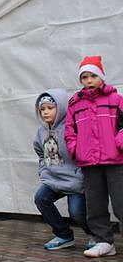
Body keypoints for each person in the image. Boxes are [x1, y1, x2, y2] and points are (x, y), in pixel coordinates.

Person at [65, 56, 123, 258]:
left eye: (93, 76)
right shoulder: (75, 104)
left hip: (115, 160)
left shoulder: (116, 100)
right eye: (84, 77)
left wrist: (119, 143)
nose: (89, 80)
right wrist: (76, 149)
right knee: (95, 204)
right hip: (89, 162)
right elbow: (69, 131)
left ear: (101, 76)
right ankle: (104, 241)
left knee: (120, 202)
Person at [33, 89, 90, 250]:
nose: (45, 112)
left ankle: (97, 236)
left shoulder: (72, 128)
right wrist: (43, 171)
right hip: (53, 179)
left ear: (61, 108)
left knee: (77, 212)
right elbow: (40, 153)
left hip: (75, 180)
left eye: (50, 108)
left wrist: (80, 175)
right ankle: (64, 234)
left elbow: (83, 152)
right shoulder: (41, 131)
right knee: (41, 199)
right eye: (42, 109)